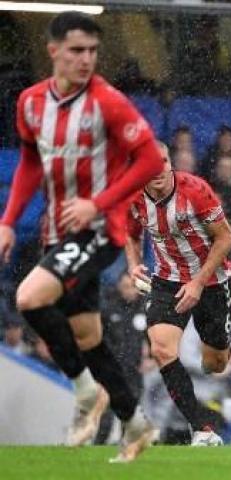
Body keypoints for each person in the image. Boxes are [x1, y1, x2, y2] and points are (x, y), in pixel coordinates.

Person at [0, 12, 163, 462]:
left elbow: (150, 159)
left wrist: (100, 201)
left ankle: (86, 393)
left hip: (97, 229)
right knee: (87, 335)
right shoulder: (31, 103)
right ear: (53, 51)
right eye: (76, 50)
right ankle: (135, 422)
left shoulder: (108, 102)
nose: (86, 59)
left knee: (30, 299)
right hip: (59, 232)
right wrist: (9, 221)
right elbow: (32, 162)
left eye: (92, 51)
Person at [126, 142, 231, 447]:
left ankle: (212, 356)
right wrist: (134, 265)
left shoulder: (196, 190)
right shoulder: (132, 194)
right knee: (161, 349)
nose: (158, 169)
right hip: (166, 281)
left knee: (216, 364)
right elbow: (130, 232)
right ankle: (201, 429)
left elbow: (226, 237)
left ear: (170, 163)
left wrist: (199, 282)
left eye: (163, 161)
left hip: (211, 280)